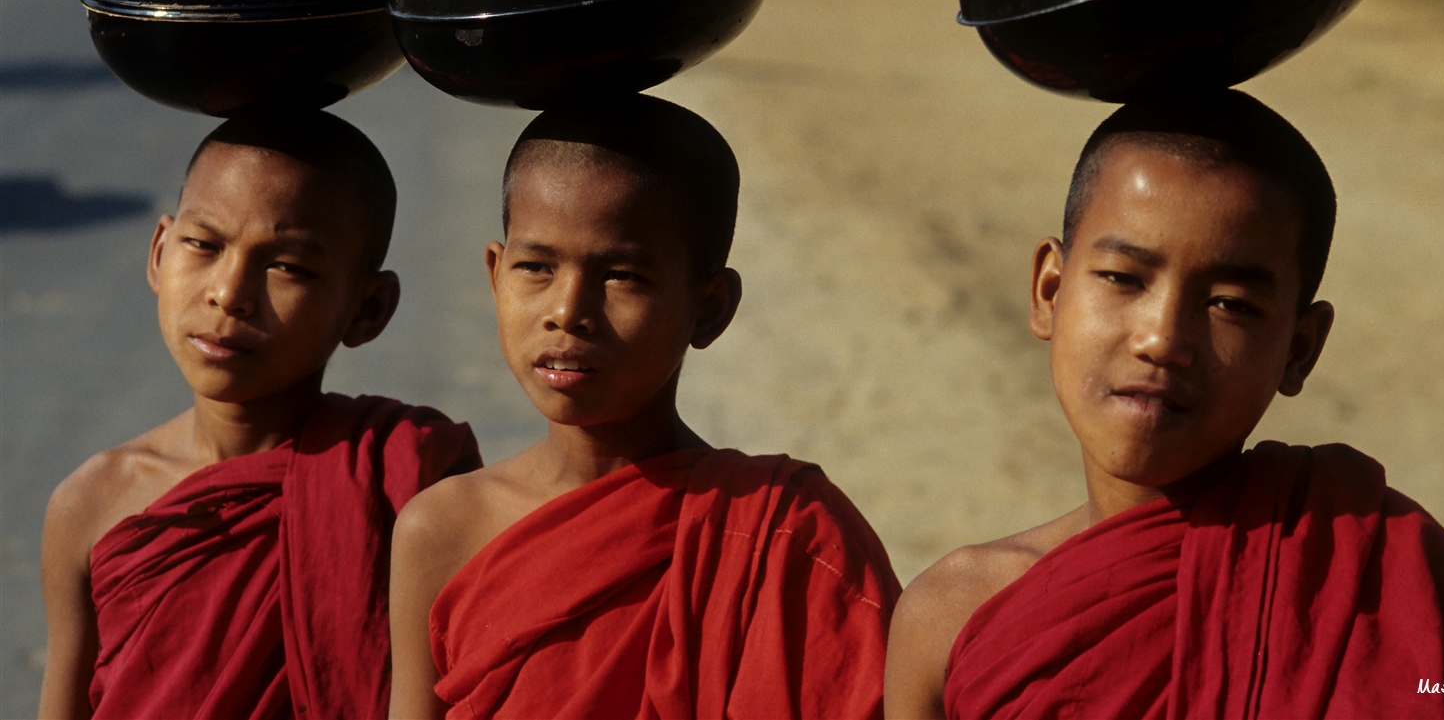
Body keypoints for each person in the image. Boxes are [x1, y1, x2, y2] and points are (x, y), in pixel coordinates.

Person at [884, 90, 1444, 719]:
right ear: (1048, 291)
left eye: (1230, 303)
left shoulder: (1384, 575)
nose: (1163, 339)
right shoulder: (952, 616)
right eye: (1124, 277)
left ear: (1300, 349)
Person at [388, 93, 900, 720]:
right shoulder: (441, 530)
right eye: (536, 266)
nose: (568, 311)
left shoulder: (786, 532)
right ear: (495, 274)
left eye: (623, 275)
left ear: (710, 307)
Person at [37, 110, 481, 720]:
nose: (230, 292)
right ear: (160, 253)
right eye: (204, 245)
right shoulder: (89, 505)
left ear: (368, 309)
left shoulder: (410, 481)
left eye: (288, 267)